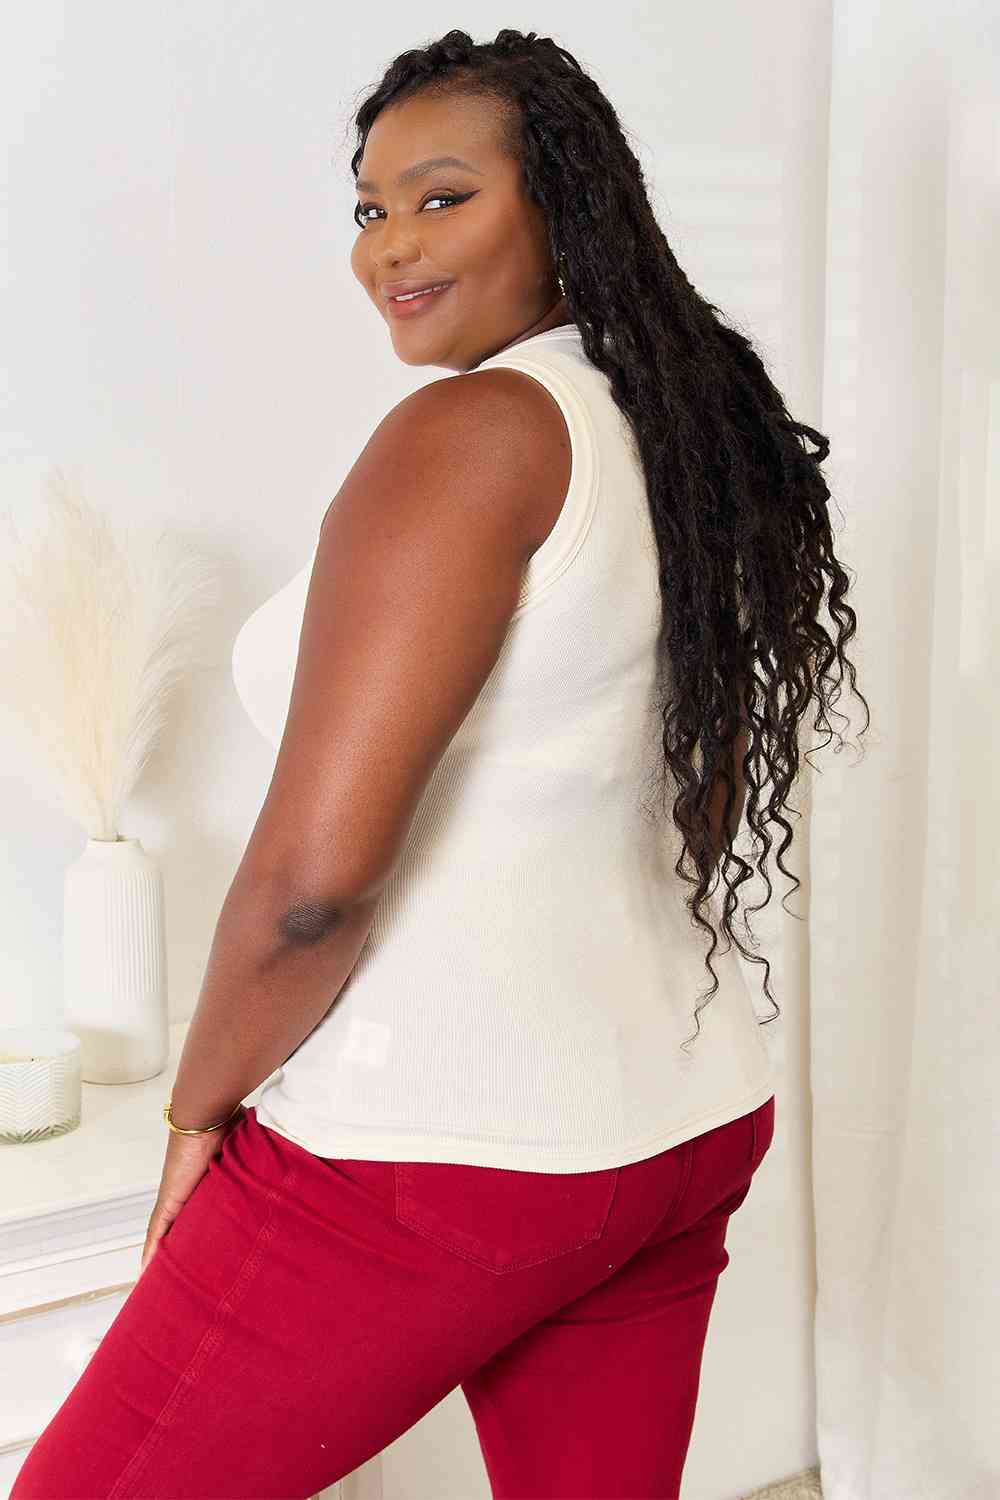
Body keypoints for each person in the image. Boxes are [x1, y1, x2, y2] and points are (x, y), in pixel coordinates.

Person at [12, 27, 869, 1500]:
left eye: (444, 196)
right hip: (678, 1124)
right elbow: (695, 785)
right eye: (369, 207)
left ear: (565, 206)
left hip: (435, 1150)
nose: (390, 246)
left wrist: (197, 1112)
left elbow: (311, 886)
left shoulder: (472, 435)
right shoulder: (688, 432)